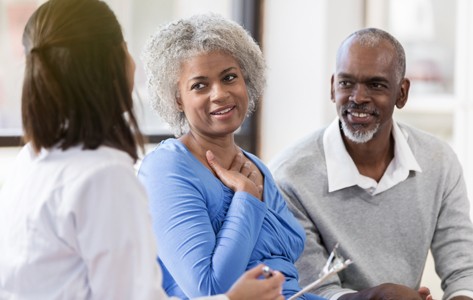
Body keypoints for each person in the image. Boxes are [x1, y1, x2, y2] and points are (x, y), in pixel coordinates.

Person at [0, 0, 286, 299]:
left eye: (230, 77)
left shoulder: (31, 160)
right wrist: (232, 299)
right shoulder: (105, 176)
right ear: (113, 62)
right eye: (124, 46)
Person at [269, 27, 473, 300]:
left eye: (375, 85)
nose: (358, 97)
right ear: (332, 87)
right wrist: (382, 296)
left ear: (402, 93)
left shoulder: (439, 161)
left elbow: (463, 272)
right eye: (346, 83)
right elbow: (313, 291)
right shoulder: (289, 176)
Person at [138, 13, 325, 300]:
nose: (220, 94)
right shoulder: (167, 168)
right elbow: (210, 289)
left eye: (229, 78)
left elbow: (287, 279)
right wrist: (246, 199)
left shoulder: (256, 166)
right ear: (177, 98)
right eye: (200, 85)